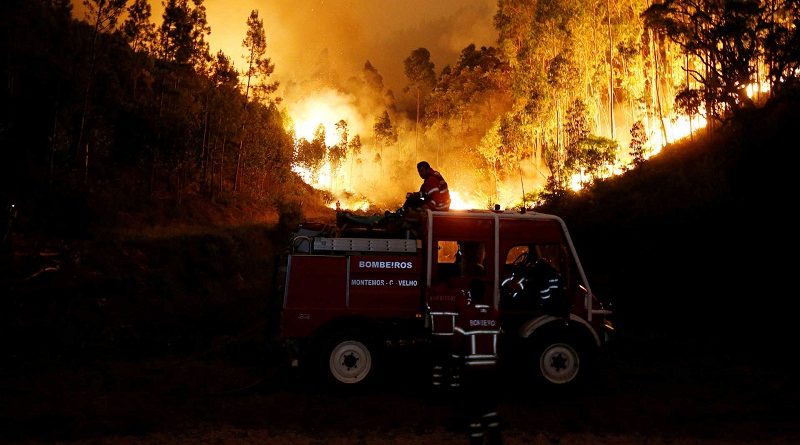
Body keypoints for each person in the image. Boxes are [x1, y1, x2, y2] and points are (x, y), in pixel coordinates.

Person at [453, 279, 503, 445]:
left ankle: (477, 440)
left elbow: (457, 341)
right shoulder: (495, 315)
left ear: (471, 294)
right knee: (489, 407)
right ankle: (496, 438)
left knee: (473, 409)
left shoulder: (467, 314)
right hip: (492, 371)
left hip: (472, 372)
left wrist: (455, 362)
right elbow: (501, 340)